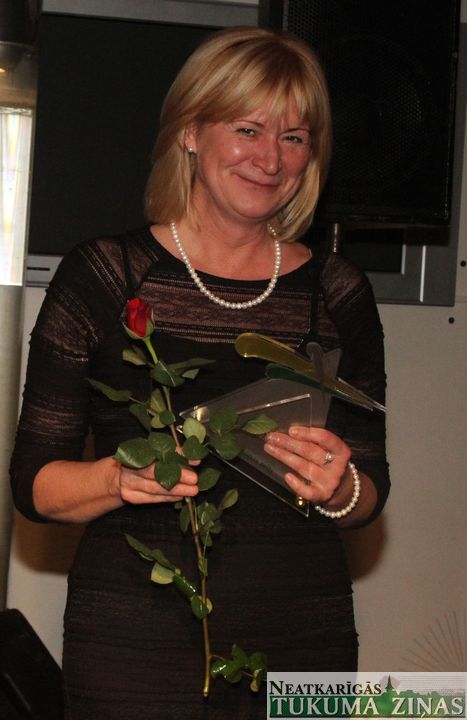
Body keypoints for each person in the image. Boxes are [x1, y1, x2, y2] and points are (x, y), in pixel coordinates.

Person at [10, 26, 389, 720]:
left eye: (294, 137)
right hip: (135, 648)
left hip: (303, 639)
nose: (270, 159)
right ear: (190, 131)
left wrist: (342, 486)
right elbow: (33, 484)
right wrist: (117, 479)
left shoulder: (339, 293)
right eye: (248, 129)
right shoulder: (102, 276)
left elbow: (370, 491)